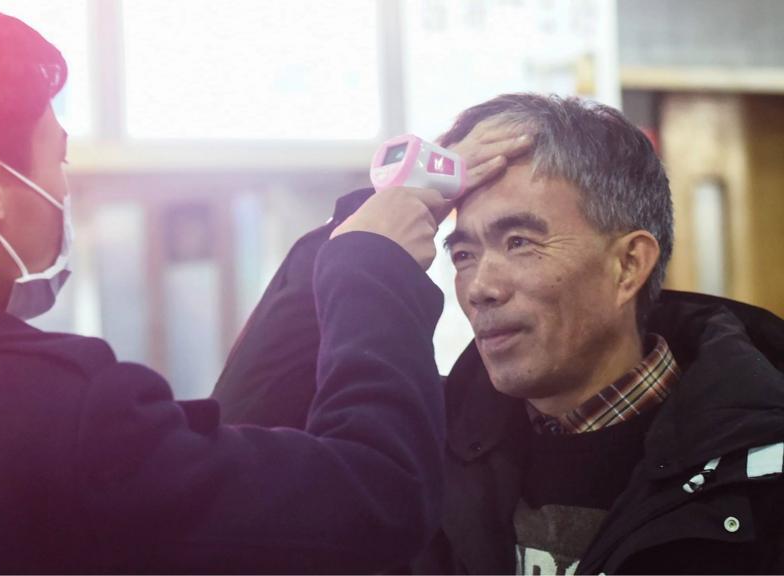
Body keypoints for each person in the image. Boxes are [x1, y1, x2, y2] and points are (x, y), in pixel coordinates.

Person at [0, 1, 534, 572]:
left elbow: (238, 443)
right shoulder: (64, 414)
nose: (65, 190)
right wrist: (375, 273)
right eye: (56, 161)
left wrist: (345, 240)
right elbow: (375, 502)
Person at [213, 93, 784, 574]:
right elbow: (249, 427)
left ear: (628, 265)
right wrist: (370, 224)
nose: (480, 286)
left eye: (519, 243)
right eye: (462, 253)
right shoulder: (426, 447)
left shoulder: (758, 462)